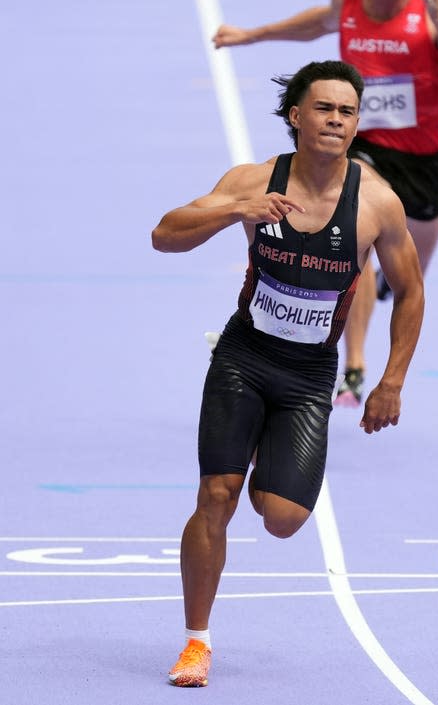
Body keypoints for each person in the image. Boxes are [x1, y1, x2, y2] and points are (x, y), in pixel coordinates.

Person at [152, 60, 424, 687]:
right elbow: (164, 235)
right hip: (243, 357)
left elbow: (410, 292)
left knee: (282, 519)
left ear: (357, 124)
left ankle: (264, 476)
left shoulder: (376, 202)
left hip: (307, 376)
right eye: (323, 108)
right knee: (213, 497)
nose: (334, 120)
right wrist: (235, 210)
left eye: (346, 111)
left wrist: (391, 380)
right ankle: (196, 643)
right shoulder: (253, 180)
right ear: (296, 116)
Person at [213, 0, 438, 406]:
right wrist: (253, 34)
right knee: (351, 248)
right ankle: (354, 366)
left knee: (409, 277)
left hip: (424, 157)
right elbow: (318, 22)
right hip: (364, 146)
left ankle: (378, 289)